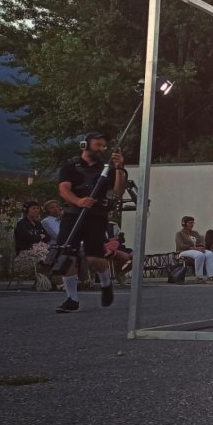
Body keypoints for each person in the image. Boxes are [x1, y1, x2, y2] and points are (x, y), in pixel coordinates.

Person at [52, 133, 127, 312]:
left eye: (103, 146)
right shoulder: (70, 166)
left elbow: (117, 192)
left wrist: (120, 168)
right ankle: (72, 299)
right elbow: (63, 189)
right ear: (85, 145)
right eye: (98, 145)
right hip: (72, 215)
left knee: (94, 257)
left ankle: (106, 283)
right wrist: (78, 201)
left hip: (96, 217)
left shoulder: (107, 169)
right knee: (68, 255)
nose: (101, 149)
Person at [175, 216, 213, 283]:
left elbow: (200, 242)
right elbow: (180, 245)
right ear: (184, 223)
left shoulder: (195, 233)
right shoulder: (179, 234)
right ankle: (199, 277)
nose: (192, 225)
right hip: (184, 251)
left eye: (193, 223)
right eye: (190, 223)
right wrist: (195, 248)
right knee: (200, 255)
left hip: (196, 250)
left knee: (209, 254)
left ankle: (211, 277)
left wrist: (201, 247)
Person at [13, 200, 51, 272]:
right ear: (27, 210)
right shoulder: (22, 224)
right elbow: (28, 238)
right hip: (26, 251)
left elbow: (47, 237)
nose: (36, 210)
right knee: (45, 257)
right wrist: (40, 236)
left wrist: (37, 237)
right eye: (33, 208)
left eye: (37, 208)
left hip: (40, 250)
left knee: (52, 256)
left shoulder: (38, 224)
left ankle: (50, 279)